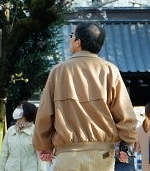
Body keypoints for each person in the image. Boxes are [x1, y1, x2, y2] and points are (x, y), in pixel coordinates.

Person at [34, 23, 138, 171]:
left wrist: (43, 146)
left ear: (78, 41)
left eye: (72, 36)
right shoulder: (110, 71)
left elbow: (45, 114)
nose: (70, 39)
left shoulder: (58, 71)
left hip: (67, 154)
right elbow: (125, 113)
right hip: (102, 155)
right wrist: (127, 143)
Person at [0, 101, 46, 171]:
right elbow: (4, 155)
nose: (17, 109)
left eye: (20, 108)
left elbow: (41, 158)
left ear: (27, 112)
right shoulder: (10, 130)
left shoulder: (36, 131)